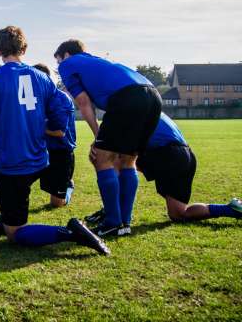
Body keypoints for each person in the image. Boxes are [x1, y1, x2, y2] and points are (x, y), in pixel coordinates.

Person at [0, 26, 109, 256]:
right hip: (39, 158)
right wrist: (44, 126)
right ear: (24, 48)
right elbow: (62, 110)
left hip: (12, 163)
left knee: (15, 233)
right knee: (6, 181)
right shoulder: (43, 78)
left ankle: (70, 233)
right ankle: (6, 217)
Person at [54, 39, 162, 237]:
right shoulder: (96, 62)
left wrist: (98, 136)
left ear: (66, 55)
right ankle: (124, 223)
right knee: (128, 160)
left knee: (101, 158)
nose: (59, 66)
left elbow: (84, 103)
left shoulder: (68, 64)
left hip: (127, 97)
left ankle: (112, 222)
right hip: (153, 95)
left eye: (58, 61)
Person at [85, 113, 242, 225]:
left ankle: (113, 212)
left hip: (167, 155)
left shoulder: (125, 109)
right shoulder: (149, 104)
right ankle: (230, 209)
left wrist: (97, 148)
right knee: (179, 214)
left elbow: (113, 151)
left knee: (110, 161)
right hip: (185, 155)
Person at [33, 64, 76, 208]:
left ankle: (68, 187)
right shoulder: (35, 99)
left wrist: (36, 128)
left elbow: (59, 132)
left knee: (56, 204)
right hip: (42, 150)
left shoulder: (60, 99)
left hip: (61, 152)